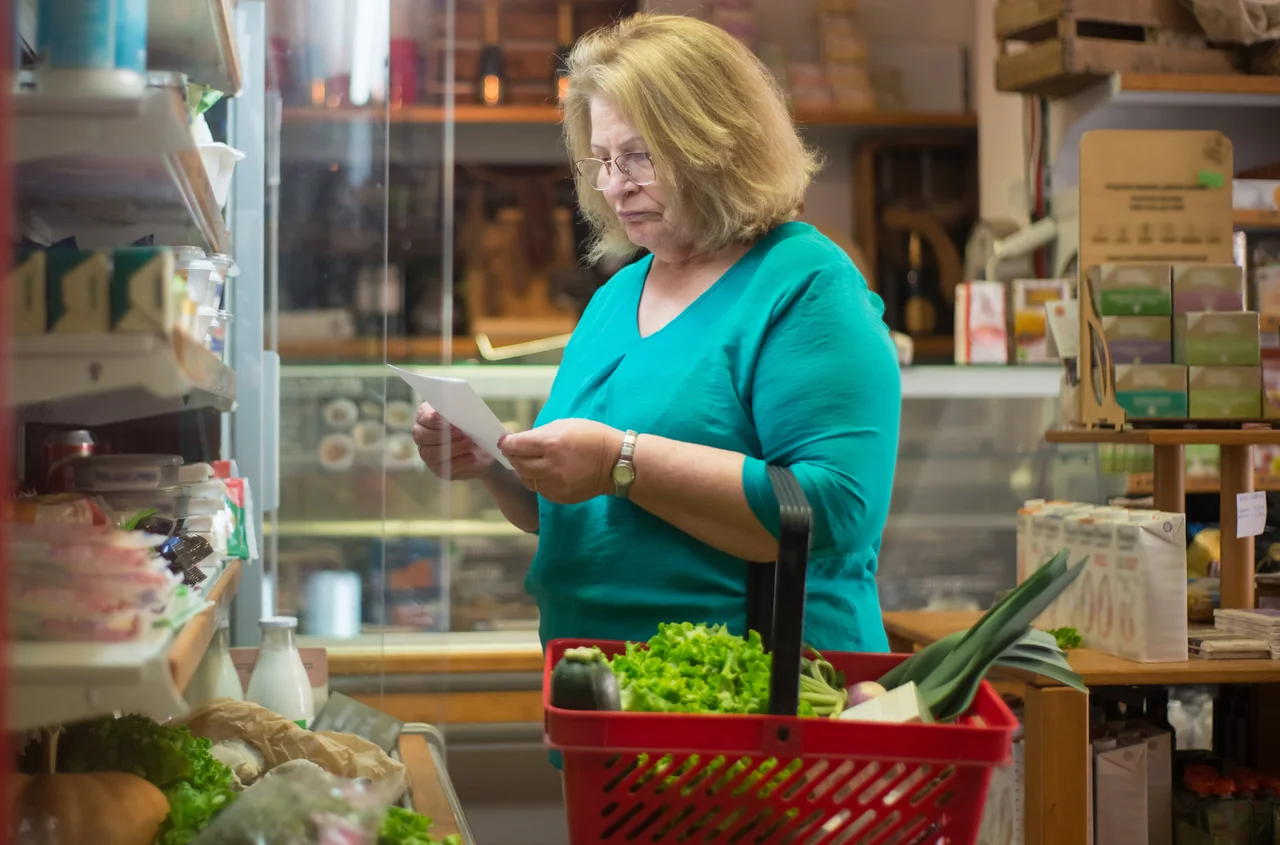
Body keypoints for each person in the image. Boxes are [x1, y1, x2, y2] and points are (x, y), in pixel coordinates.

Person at [413, 12, 901, 654]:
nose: (615, 186)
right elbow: (577, 514)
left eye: (638, 156)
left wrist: (619, 460)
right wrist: (496, 467)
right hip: (599, 686)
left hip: (755, 689)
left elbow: (834, 509)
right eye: (603, 160)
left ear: (720, 144)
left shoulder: (803, 284)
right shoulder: (617, 296)